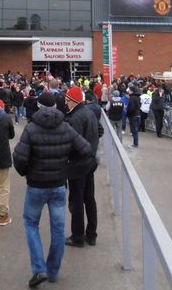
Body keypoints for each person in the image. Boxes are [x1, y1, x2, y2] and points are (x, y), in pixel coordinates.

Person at [13, 91, 91, 288]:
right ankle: (53, 271)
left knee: (31, 223)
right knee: (58, 228)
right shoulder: (66, 127)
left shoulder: (31, 128)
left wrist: (26, 173)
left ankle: (39, 269)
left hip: (36, 185)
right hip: (58, 185)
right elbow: (85, 149)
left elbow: (20, 158)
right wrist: (69, 167)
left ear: (38, 107)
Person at [64, 86, 97, 248]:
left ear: (73, 101)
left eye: (67, 100)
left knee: (76, 201)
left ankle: (77, 236)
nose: (66, 103)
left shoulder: (75, 118)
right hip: (90, 161)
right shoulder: (89, 113)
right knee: (89, 199)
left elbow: (72, 143)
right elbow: (100, 130)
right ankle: (91, 234)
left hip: (78, 165)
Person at [126, 84, 141, 149]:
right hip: (137, 114)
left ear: (132, 91)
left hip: (133, 115)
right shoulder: (138, 97)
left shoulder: (132, 98)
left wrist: (127, 112)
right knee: (135, 130)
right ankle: (135, 143)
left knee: (134, 130)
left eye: (129, 90)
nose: (128, 91)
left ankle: (135, 144)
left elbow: (131, 108)